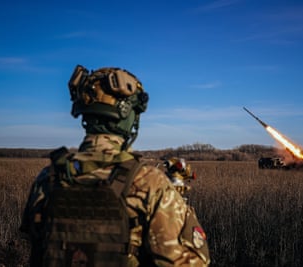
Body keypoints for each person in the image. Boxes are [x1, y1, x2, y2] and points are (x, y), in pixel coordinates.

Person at [19, 65, 210, 266]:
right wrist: (182, 210)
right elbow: (188, 262)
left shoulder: (48, 178)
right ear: (128, 115)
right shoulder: (149, 183)